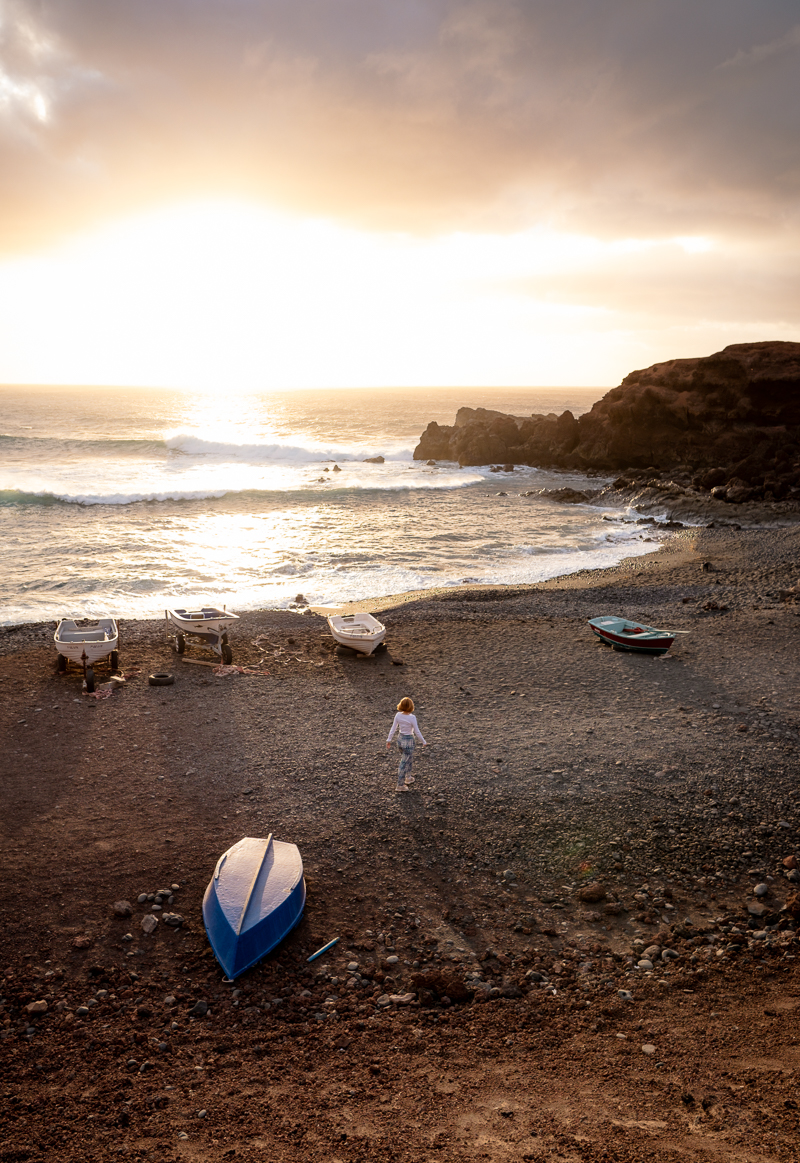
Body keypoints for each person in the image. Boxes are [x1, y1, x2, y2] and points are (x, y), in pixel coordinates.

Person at [386, 696, 426, 792]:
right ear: (411, 707)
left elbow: (393, 728)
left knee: (408, 758)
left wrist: (389, 739)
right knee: (403, 763)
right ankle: (400, 785)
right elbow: (417, 731)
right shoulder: (412, 717)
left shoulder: (398, 715)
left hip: (400, 739)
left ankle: (408, 777)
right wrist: (423, 741)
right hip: (409, 741)